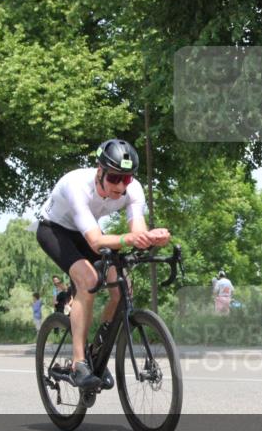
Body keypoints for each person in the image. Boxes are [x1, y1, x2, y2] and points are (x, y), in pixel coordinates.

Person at [35, 138, 171, 388]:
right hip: (55, 230)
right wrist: (128, 238)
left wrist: (149, 238)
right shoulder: (76, 185)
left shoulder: (134, 189)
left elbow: (136, 229)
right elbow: (96, 241)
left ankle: (97, 351)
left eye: (126, 178)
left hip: (86, 229)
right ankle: (78, 363)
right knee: (88, 280)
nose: (121, 185)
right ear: (100, 171)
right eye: (114, 178)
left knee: (122, 289)